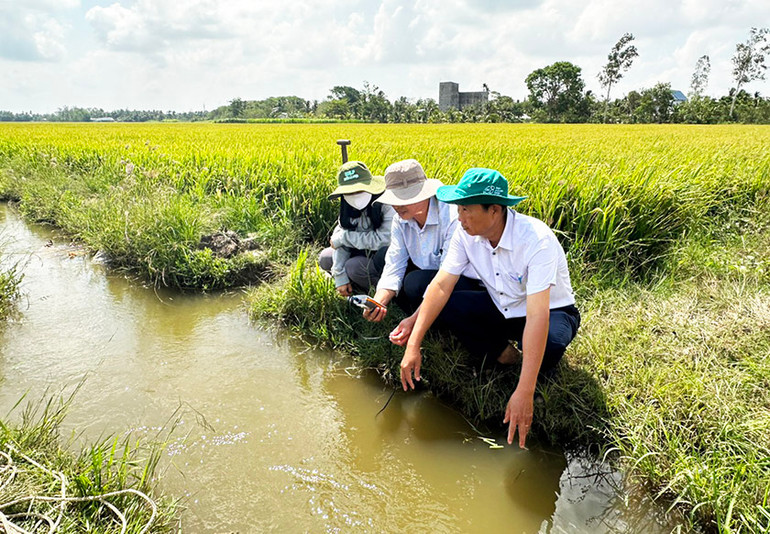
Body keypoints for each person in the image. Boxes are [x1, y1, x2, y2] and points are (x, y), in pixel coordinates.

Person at [393, 168, 580, 449]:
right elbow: (441, 286)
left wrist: (524, 392)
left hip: (549, 311)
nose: (460, 217)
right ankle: (503, 356)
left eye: (467, 210)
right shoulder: (464, 234)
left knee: (551, 341)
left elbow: (538, 314)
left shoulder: (536, 240)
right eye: (458, 209)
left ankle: (537, 372)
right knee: (444, 304)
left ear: (494, 210)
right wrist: (413, 345)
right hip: (500, 305)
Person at [362, 159, 481, 322]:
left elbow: (445, 276)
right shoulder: (400, 220)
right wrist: (378, 301)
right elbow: (395, 263)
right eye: (394, 199)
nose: (397, 206)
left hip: (458, 279)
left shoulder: (453, 216)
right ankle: (421, 315)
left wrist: (415, 321)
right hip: (428, 272)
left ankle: (428, 319)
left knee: (414, 282)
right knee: (383, 257)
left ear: (424, 193)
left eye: (404, 199)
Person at [318, 161, 395, 296]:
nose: (355, 196)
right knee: (325, 258)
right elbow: (340, 238)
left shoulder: (386, 203)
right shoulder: (347, 207)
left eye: (360, 190)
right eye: (349, 192)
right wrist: (339, 274)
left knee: (354, 266)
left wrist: (344, 238)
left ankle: (384, 292)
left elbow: (384, 239)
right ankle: (350, 285)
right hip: (359, 250)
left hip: (382, 257)